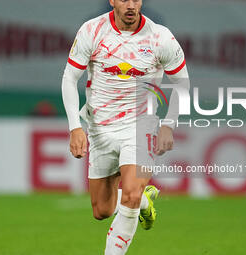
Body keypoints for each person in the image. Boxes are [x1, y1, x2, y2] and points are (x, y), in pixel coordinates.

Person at [61, 0, 189, 254]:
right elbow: (69, 77)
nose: (130, 5)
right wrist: (75, 127)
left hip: (140, 127)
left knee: (129, 194)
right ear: (112, 1)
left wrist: (169, 125)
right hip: (100, 128)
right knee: (102, 210)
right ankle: (144, 201)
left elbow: (182, 83)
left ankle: (135, 201)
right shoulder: (92, 31)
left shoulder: (160, 37)